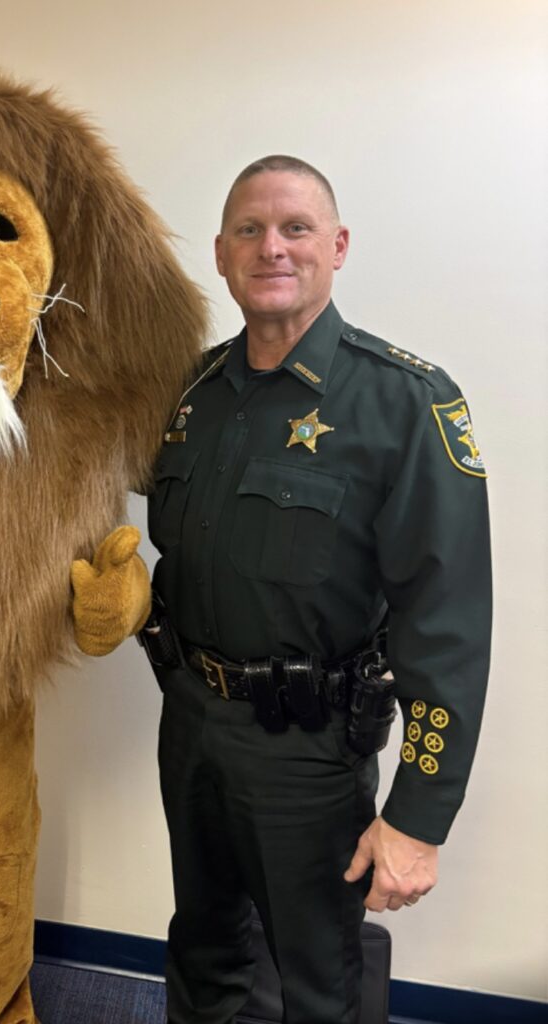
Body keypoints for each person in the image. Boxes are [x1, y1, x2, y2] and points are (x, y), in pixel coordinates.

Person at [142, 155, 491, 1024]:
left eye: (296, 228)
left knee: (320, 981)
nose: (273, 248)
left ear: (336, 246)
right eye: (250, 231)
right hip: (190, 726)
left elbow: (446, 624)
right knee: (204, 949)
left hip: (308, 749)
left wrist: (418, 816)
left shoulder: (406, 402)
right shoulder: (189, 394)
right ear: (221, 254)